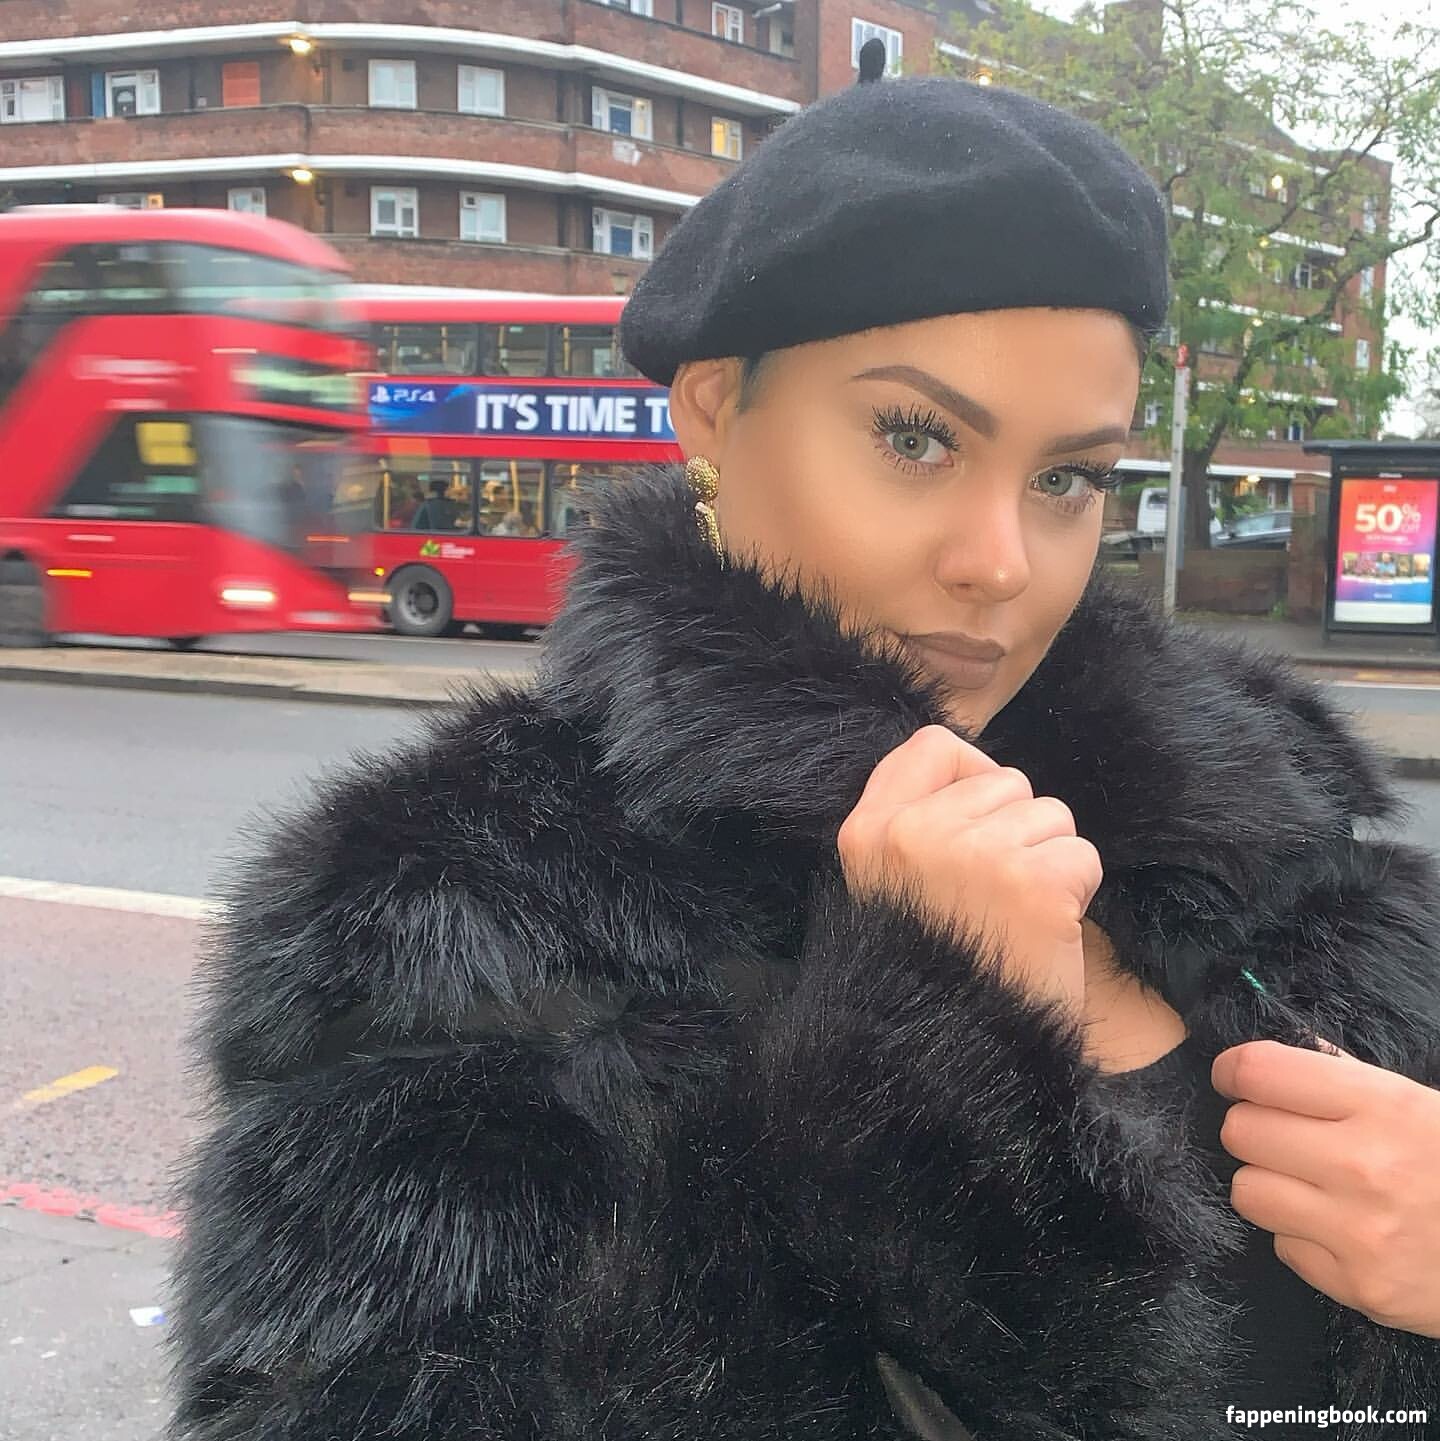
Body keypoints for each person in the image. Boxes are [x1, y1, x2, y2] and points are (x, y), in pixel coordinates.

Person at [170, 55, 1440, 1441]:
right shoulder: (442, 914)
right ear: (715, 411)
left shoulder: (1279, 845)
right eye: (916, 439)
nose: (1001, 562)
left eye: (1068, 477)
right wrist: (923, 1066)